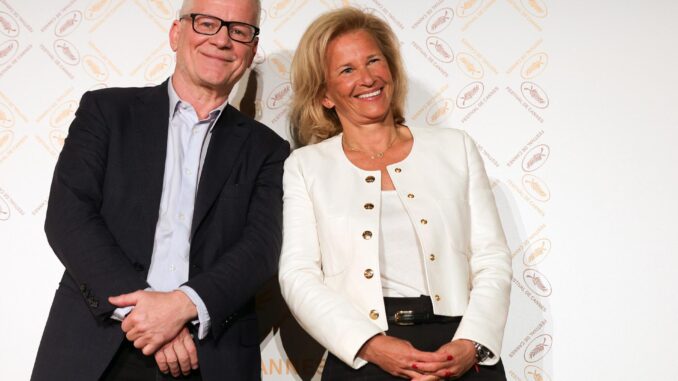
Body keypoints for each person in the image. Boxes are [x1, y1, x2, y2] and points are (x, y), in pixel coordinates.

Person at [31, 0, 289, 379]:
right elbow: (69, 217)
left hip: (209, 356)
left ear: (251, 50)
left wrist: (184, 306)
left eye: (239, 30)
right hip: (96, 343)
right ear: (176, 33)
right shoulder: (106, 111)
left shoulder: (269, 150)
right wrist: (149, 316)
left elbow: (262, 248)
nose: (222, 39)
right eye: (206, 23)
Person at [279, 7, 512, 381]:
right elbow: (298, 274)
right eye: (347, 70)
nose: (367, 78)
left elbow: (493, 259)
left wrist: (471, 344)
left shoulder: (456, 148)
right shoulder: (306, 167)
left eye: (373, 60)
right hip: (365, 356)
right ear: (325, 94)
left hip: (459, 352)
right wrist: (370, 344)